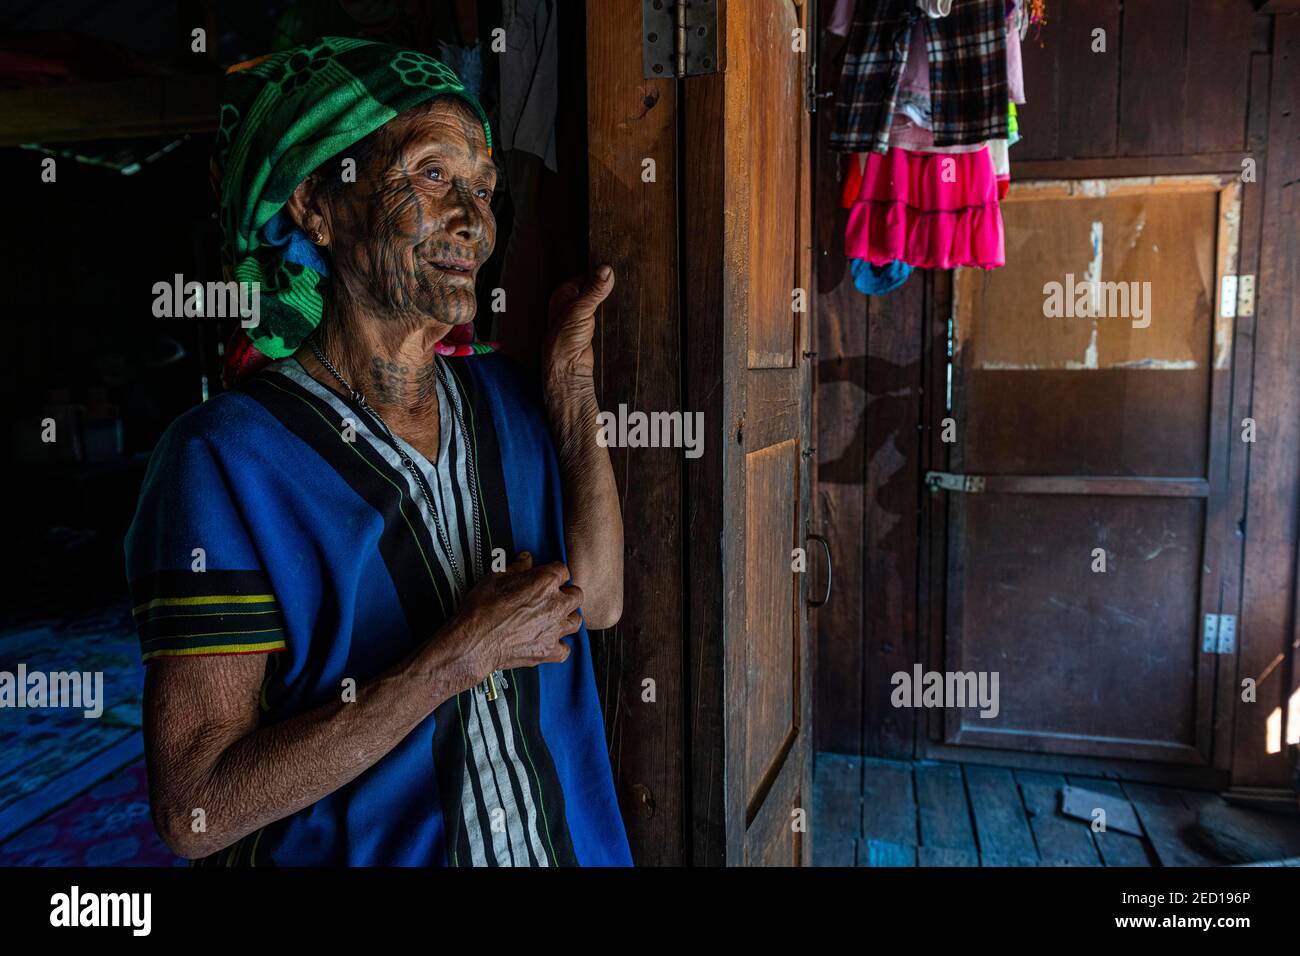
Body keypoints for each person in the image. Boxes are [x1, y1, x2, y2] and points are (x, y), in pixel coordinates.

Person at [124, 38, 630, 866]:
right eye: (431, 175)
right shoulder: (222, 460)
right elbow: (196, 811)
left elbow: (598, 602)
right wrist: (454, 658)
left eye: (482, 189)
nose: (472, 220)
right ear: (315, 205)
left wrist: (572, 390)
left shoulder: (508, 399)